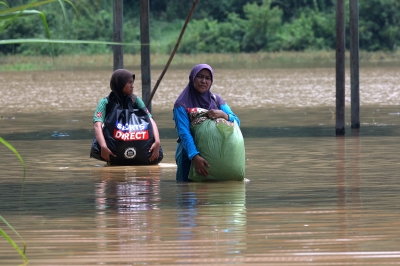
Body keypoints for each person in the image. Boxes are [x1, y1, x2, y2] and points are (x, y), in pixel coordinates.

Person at [173, 63, 240, 182]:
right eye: (200, 77)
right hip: (188, 156)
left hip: (214, 157)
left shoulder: (216, 100)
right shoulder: (181, 104)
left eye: (207, 78)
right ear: (193, 78)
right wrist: (194, 157)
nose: (203, 81)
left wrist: (224, 115)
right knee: (187, 193)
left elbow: (236, 122)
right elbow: (184, 133)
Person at [92, 69, 161, 165]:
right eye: (129, 83)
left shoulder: (136, 100)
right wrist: (103, 147)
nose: (132, 85)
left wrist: (157, 142)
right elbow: (97, 126)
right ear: (119, 83)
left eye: (133, 82)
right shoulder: (105, 103)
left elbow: (150, 120)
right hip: (113, 151)